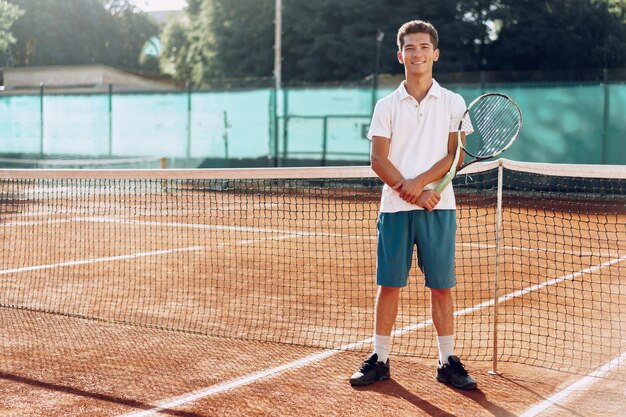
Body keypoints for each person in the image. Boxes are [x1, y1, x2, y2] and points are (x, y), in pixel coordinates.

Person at [349, 19, 477, 390]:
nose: (417, 53)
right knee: (389, 285)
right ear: (399, 54)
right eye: (410, 47)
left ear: (435, 53)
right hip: (394, 209)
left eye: (424, 47)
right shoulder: (386, 105)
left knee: (441, 286)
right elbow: (378, 159)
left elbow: (456, 155)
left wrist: (421, 186)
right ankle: (380, 358)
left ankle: (447, 361)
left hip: (440, 206)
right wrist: (413, 192)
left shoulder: (454, 102)